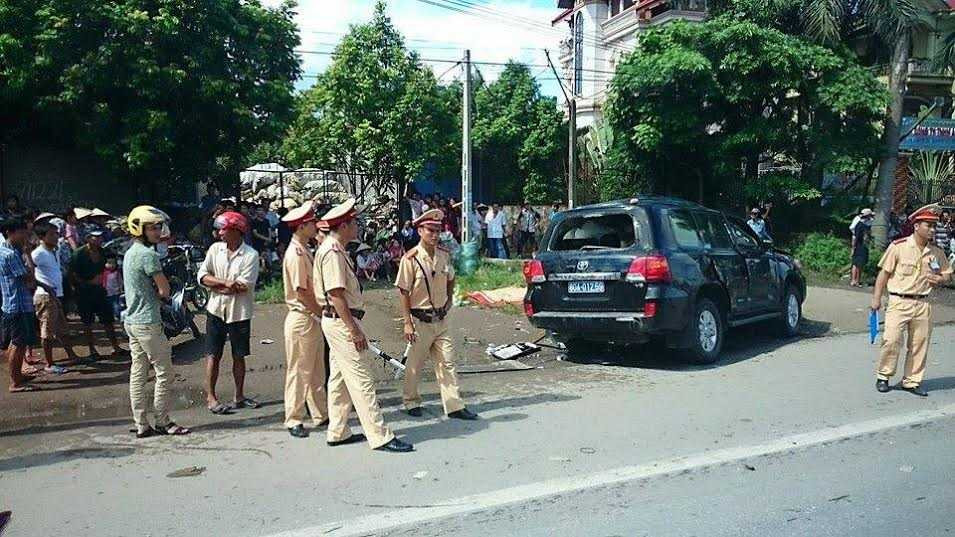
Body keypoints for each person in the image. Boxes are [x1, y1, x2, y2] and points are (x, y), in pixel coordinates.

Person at [315, 198, 413, 452]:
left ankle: (338, 430)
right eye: (354, 222)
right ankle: (380, 435)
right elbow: (336, 294)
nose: (358, 226)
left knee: (339, 378)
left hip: (339, 321)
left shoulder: (335, 249)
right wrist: (354, 329)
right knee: (361, 379)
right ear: (344, 225)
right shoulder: (332, 252)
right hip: (342, 322)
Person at [396, 209, 478, 421]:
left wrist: (449, 299)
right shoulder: (410, 259)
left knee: (447, 363)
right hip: (420, 320)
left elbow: (451, 277)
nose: (434, 235)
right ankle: (411, 401)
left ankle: (454, 405)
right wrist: (407, 322)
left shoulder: (444, 255)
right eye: (430, 230)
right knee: (415, 364)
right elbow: (403, 291)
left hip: (441, 319)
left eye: (438, 231)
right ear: (420, 231)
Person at [122, 206, 190, 437]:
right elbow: (164, 290)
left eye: (158, 227)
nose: (157, 231)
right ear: (139, 229)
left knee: (138, 373)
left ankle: (141, 423)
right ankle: (163, 421)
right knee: (164, 373)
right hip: (148, 322)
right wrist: (162, 292)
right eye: (152, 228)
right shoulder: (148, 255)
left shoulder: (130, 252)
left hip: (132, 321)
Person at [871, 207, 953, 397]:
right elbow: (883, 274)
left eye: (934, 226)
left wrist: (941, 279)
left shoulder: (936, 252)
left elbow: (947, 274)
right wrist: (876, 299)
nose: (932, 230)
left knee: (919, 344)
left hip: (923, 303)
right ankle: (884, 375)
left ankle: (912, 381)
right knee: (891, 340)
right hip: (899, 301)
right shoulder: (898, 246)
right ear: (916, 226)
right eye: (928, 225)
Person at [198, 210, 260, 415]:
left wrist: (216, 285)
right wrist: (225, 283)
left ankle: (239, 396)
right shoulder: (215, 249)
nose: (220, 233)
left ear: (235, 230)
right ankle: (211, 397)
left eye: (223, 229)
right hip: (215, 310)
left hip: (239, 312)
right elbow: (202, 276)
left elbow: (242, 286)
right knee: (212, 354)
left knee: (239, 355)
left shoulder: (250, 255)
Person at [281, 203, 329, 439]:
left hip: (310, 317)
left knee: (316, 370)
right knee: (300, 371)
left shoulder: (304, 250)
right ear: (301, 226)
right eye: (311, 223)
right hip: (303, 317)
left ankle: (321, 413)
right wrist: (320, 312)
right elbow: (302, 292)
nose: (314, 226)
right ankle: (294, 418)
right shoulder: (297, 254)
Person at [32, 222, 79, 372]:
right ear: (42, 237)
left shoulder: (54, 251)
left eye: (56, 233)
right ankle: (49, 363)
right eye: (51, 234)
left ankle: (72, 356)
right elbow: (29, 272)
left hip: (56, 295)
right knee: (47, 332)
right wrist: (45, 286)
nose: (55, 237)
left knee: (62, 329)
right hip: (45, 296)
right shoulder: (38, 253)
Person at [71, 230, 125, 358]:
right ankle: (92, 350)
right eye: (96, 237)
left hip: (100, 290)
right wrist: (87, 282)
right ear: (88, 238)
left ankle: (116, 347)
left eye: (100, 237)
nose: (99, 239)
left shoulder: (102, 252)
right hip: (84, 292)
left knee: (108, 319)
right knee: (87, 322)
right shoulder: (79, 254)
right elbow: (73, 274)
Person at [1, 219, 40, 392]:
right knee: (18, 344)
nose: (25, 235)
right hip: (18, 305)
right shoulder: (11, 255)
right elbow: (30, 279)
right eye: (21, 232)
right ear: (9, 232)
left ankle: (17, 375)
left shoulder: (6, 250)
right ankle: (15, 382)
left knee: (17, 343)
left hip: (11, 304)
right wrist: (28, 255)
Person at [850, 210, 874, 287]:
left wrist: (853, 247)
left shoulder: (858, 224)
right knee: (860, 264)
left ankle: (853, 280)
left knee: (855, 263)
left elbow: (855, 236)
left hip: (857, 245)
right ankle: (857, 281)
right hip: (862, 246)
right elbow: (858, 237)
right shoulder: (863, 226)